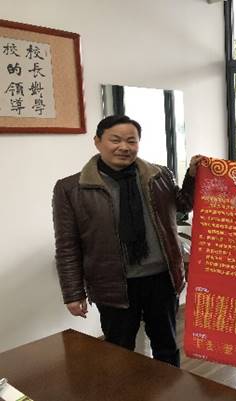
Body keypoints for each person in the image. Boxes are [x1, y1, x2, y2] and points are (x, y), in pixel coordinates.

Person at [52, 115, 199, 367]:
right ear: (97, 142)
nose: (124, 147)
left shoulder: (159, 176)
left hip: (161, 279)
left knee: (166, 345)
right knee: (119, 351)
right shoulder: (72, 188)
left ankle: (171, 387)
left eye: (131, 141)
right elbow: (67, 245)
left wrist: (193, 176)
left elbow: (183, 205)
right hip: (112, 284)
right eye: (115, 140)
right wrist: (73, 293)